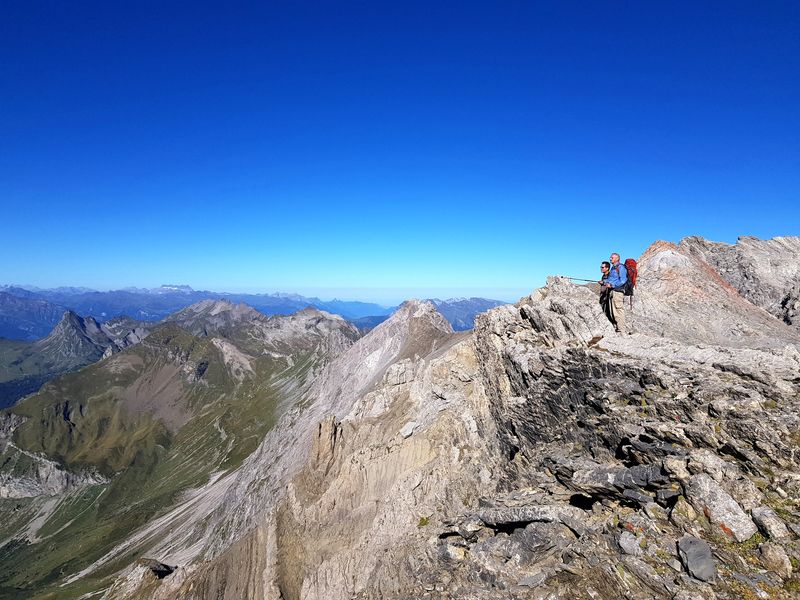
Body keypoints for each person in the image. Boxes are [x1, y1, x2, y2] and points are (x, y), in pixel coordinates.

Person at [603, 253, 627, 334]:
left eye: (612, 257)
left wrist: (612, 285)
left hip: (617, 291)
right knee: (613, 311)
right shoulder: (613, 268)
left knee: (618, 310)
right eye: (610, 257)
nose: (610, 259)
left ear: (617, 258)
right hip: (612, 292)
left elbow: (623, 280)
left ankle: (622, 330)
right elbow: (612, 279)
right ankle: (618, 328)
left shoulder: (621, 267)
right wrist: (604, 282)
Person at [598, 261, 614, 326]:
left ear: (607, 268)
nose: (601, 268)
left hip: (608, 297)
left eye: (602, 267)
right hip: (603, 296)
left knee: (608, 312)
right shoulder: (603, 275)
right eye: (601, 267)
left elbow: (611, 284)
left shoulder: (611, 275)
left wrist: (603, 283)